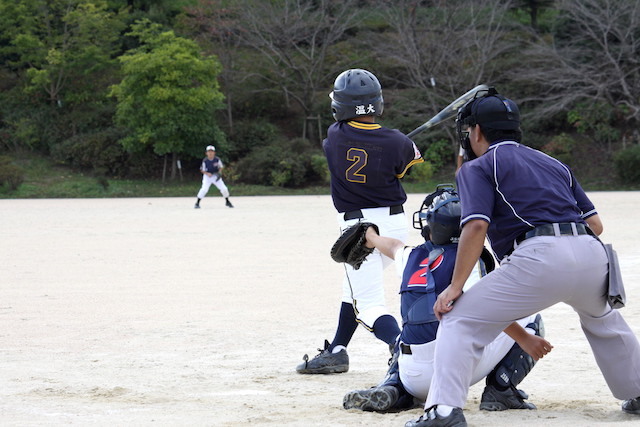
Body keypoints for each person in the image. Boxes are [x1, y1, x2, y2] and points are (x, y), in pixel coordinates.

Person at [405, 88, 640, 427]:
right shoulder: (554, 163)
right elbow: (596, 225)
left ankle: (443, 411)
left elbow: (475, 227)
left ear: (476, 132)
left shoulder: (478, 167)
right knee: (603, 320)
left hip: (538, 257)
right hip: (591, 255)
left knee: (459, 320)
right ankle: (636, 392)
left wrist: (455, 287)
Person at [342, 186, 550, 414]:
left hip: (411, 373)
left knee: (408, 332)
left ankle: (395, 387)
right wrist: (525, 338)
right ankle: (501, 391)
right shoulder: (471, 262)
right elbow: (489, 311)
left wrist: (370, 235)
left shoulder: (411, 255)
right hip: (451, 374)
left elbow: (393, 246)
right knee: (531, 318)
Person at [296, 69, 424, 374]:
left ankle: (400, 347)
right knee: (351, 289)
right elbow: (405, 165)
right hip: (393, 225)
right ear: (377, 103)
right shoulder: (395, 140)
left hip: (359, 231)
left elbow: (362, 146)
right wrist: (397, 142)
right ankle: (338, 351)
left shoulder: (334, 135)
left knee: (366, 303)